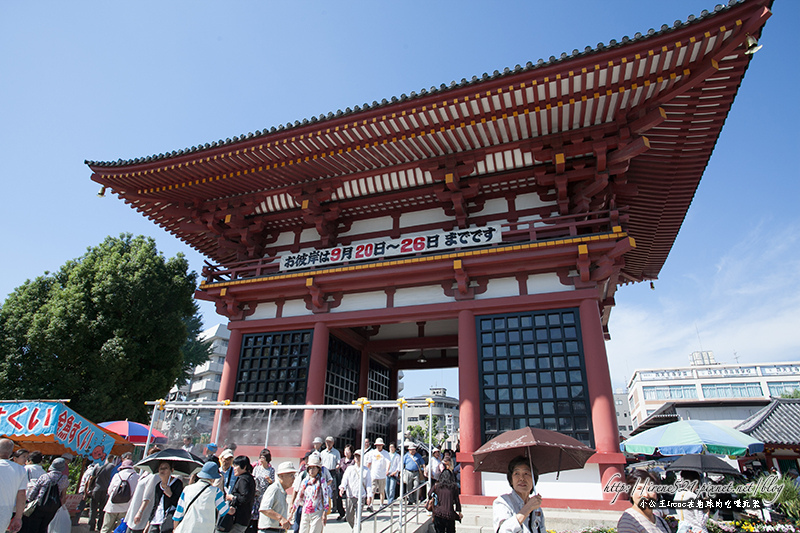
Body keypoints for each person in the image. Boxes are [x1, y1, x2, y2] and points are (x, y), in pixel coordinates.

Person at [492, 456, 545, 533]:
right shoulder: (503, 502)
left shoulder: (536, 508)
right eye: (516, 474)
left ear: (534, 480)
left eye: (526, 473)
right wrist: (527, 508)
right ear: (511, 480)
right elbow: (503, 530)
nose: (521, 478)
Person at [173, 461, 230, 533]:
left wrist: (175, 529)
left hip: (186, 529)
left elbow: (178, 513)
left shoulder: (187, 489)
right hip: (205, 530)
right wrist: (231, 509)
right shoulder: (216, 491)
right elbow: (223, 510)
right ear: (213, 478)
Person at [21, 458, 70, 533]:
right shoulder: (64, 479)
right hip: (53, 507)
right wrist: (59, 506)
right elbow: (63, 496)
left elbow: (34, 491)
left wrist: (29, 501)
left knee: (34, 526)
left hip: (40, 504)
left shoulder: (44, 476)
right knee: (44, 527)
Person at [136, 461, 183, 533]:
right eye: (160, 468)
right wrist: (149, 522)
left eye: (165, 468)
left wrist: (170, 495)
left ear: (171, 470)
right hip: (155, 520)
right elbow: (156, 505)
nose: (162, 471)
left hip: (167, 521)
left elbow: (179, 504)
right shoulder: (158, 486)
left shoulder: (177, 483)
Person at [291, 454, 330, 533]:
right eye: (310, 468)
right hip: (305, 511)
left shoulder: (322, 481)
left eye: (314, 468)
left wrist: (325, 513)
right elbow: (299, 496)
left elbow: (325, 497)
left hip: (317, 512)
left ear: (318, 469)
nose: (311, 470)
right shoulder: (305, 481)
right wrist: (293, 508)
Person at [101, 459, 139, 533]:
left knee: (106, 528)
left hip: (112, 507)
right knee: (120, 530)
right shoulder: (137, 477)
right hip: (125, 508)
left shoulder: (117, 475)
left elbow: (109, 490)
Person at [258, 461, 296, 532]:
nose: (293, 478)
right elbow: (264, 508)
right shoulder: (274, 488)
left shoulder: (282, 491)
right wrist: (281, 518)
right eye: (291, 475)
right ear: (281, 476)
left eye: (294, 475)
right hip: (268, 530)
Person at [338, 449, 371, 529]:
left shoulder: (366, 470)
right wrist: (342, 487)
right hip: (350, 495)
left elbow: (368, 484)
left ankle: (356, 530)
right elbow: (345, 479)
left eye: (359, 456)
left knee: (358, 516)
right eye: (356, 456)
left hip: (361, 496)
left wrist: (369, 496)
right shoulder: (350, 469)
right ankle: (355, 528)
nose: (357, 458)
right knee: (349, 517)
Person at [124, 456, 158, 533]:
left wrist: (140, 512)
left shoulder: (154, 476)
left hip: (140, 512)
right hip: (134, 509)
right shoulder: (146, 473)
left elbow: (148, 496)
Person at [0, 438, 28, 533]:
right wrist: (18, 517)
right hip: (5, 512)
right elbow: (21, 495)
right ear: (11, 453)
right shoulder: (20, 470)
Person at [225, 455, 256, 533]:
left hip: (239, 519)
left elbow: (244, 498)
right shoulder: (248, 478)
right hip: (243, 518)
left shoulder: (243, 480)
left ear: (244, 467)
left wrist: (232, 497)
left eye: (236, 466)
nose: (234, 468)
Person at [428, 469, 462, 533]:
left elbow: (429, 494)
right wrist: (459, 511)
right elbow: (457, 501)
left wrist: (434, 498)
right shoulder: (454, 487)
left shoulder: (437, 486)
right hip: (450, 514)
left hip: (438, 513)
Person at [90, 456, 118, 532]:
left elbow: (91, 478)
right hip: (105, 490)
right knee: (102, 509)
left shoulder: (97, 465)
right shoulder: (112, 466)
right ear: (112, 458)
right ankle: (99, 526)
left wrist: (88, 488)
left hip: (96, 489)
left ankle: (91, 526)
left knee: (93, 509)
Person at [319, 437, 343, 520]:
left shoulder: (336, 452)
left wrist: (337, 465)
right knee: (322, 490)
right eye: (326, 442)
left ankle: (336, 507)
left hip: (333, 472)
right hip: (324, 472)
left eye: (329, 442)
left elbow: (338, 462)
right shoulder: (322, 453)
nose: (328, 444)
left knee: (334, 491)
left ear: (333, 443)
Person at [252, 448, 276, 531]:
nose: (261, 459)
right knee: (254, 514)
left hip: (264, 494)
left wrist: (270, 480)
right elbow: (253, 479)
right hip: (256, 494)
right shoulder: (256, 468)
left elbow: (273, 483)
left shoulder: (271, 470)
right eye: (260, 457)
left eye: (263, 458)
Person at [365, 438, 389, 510]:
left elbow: (388, 462)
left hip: (382, 475)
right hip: (373, 474)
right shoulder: (372, 453)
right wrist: (366, 471)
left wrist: (387, 470)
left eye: (380, 445)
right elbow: (369, 463)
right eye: (377, 445)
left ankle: (381, 504)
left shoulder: (385, 453)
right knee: (372, 490)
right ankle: (371, 504)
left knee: (382, 491)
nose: (379, 446)